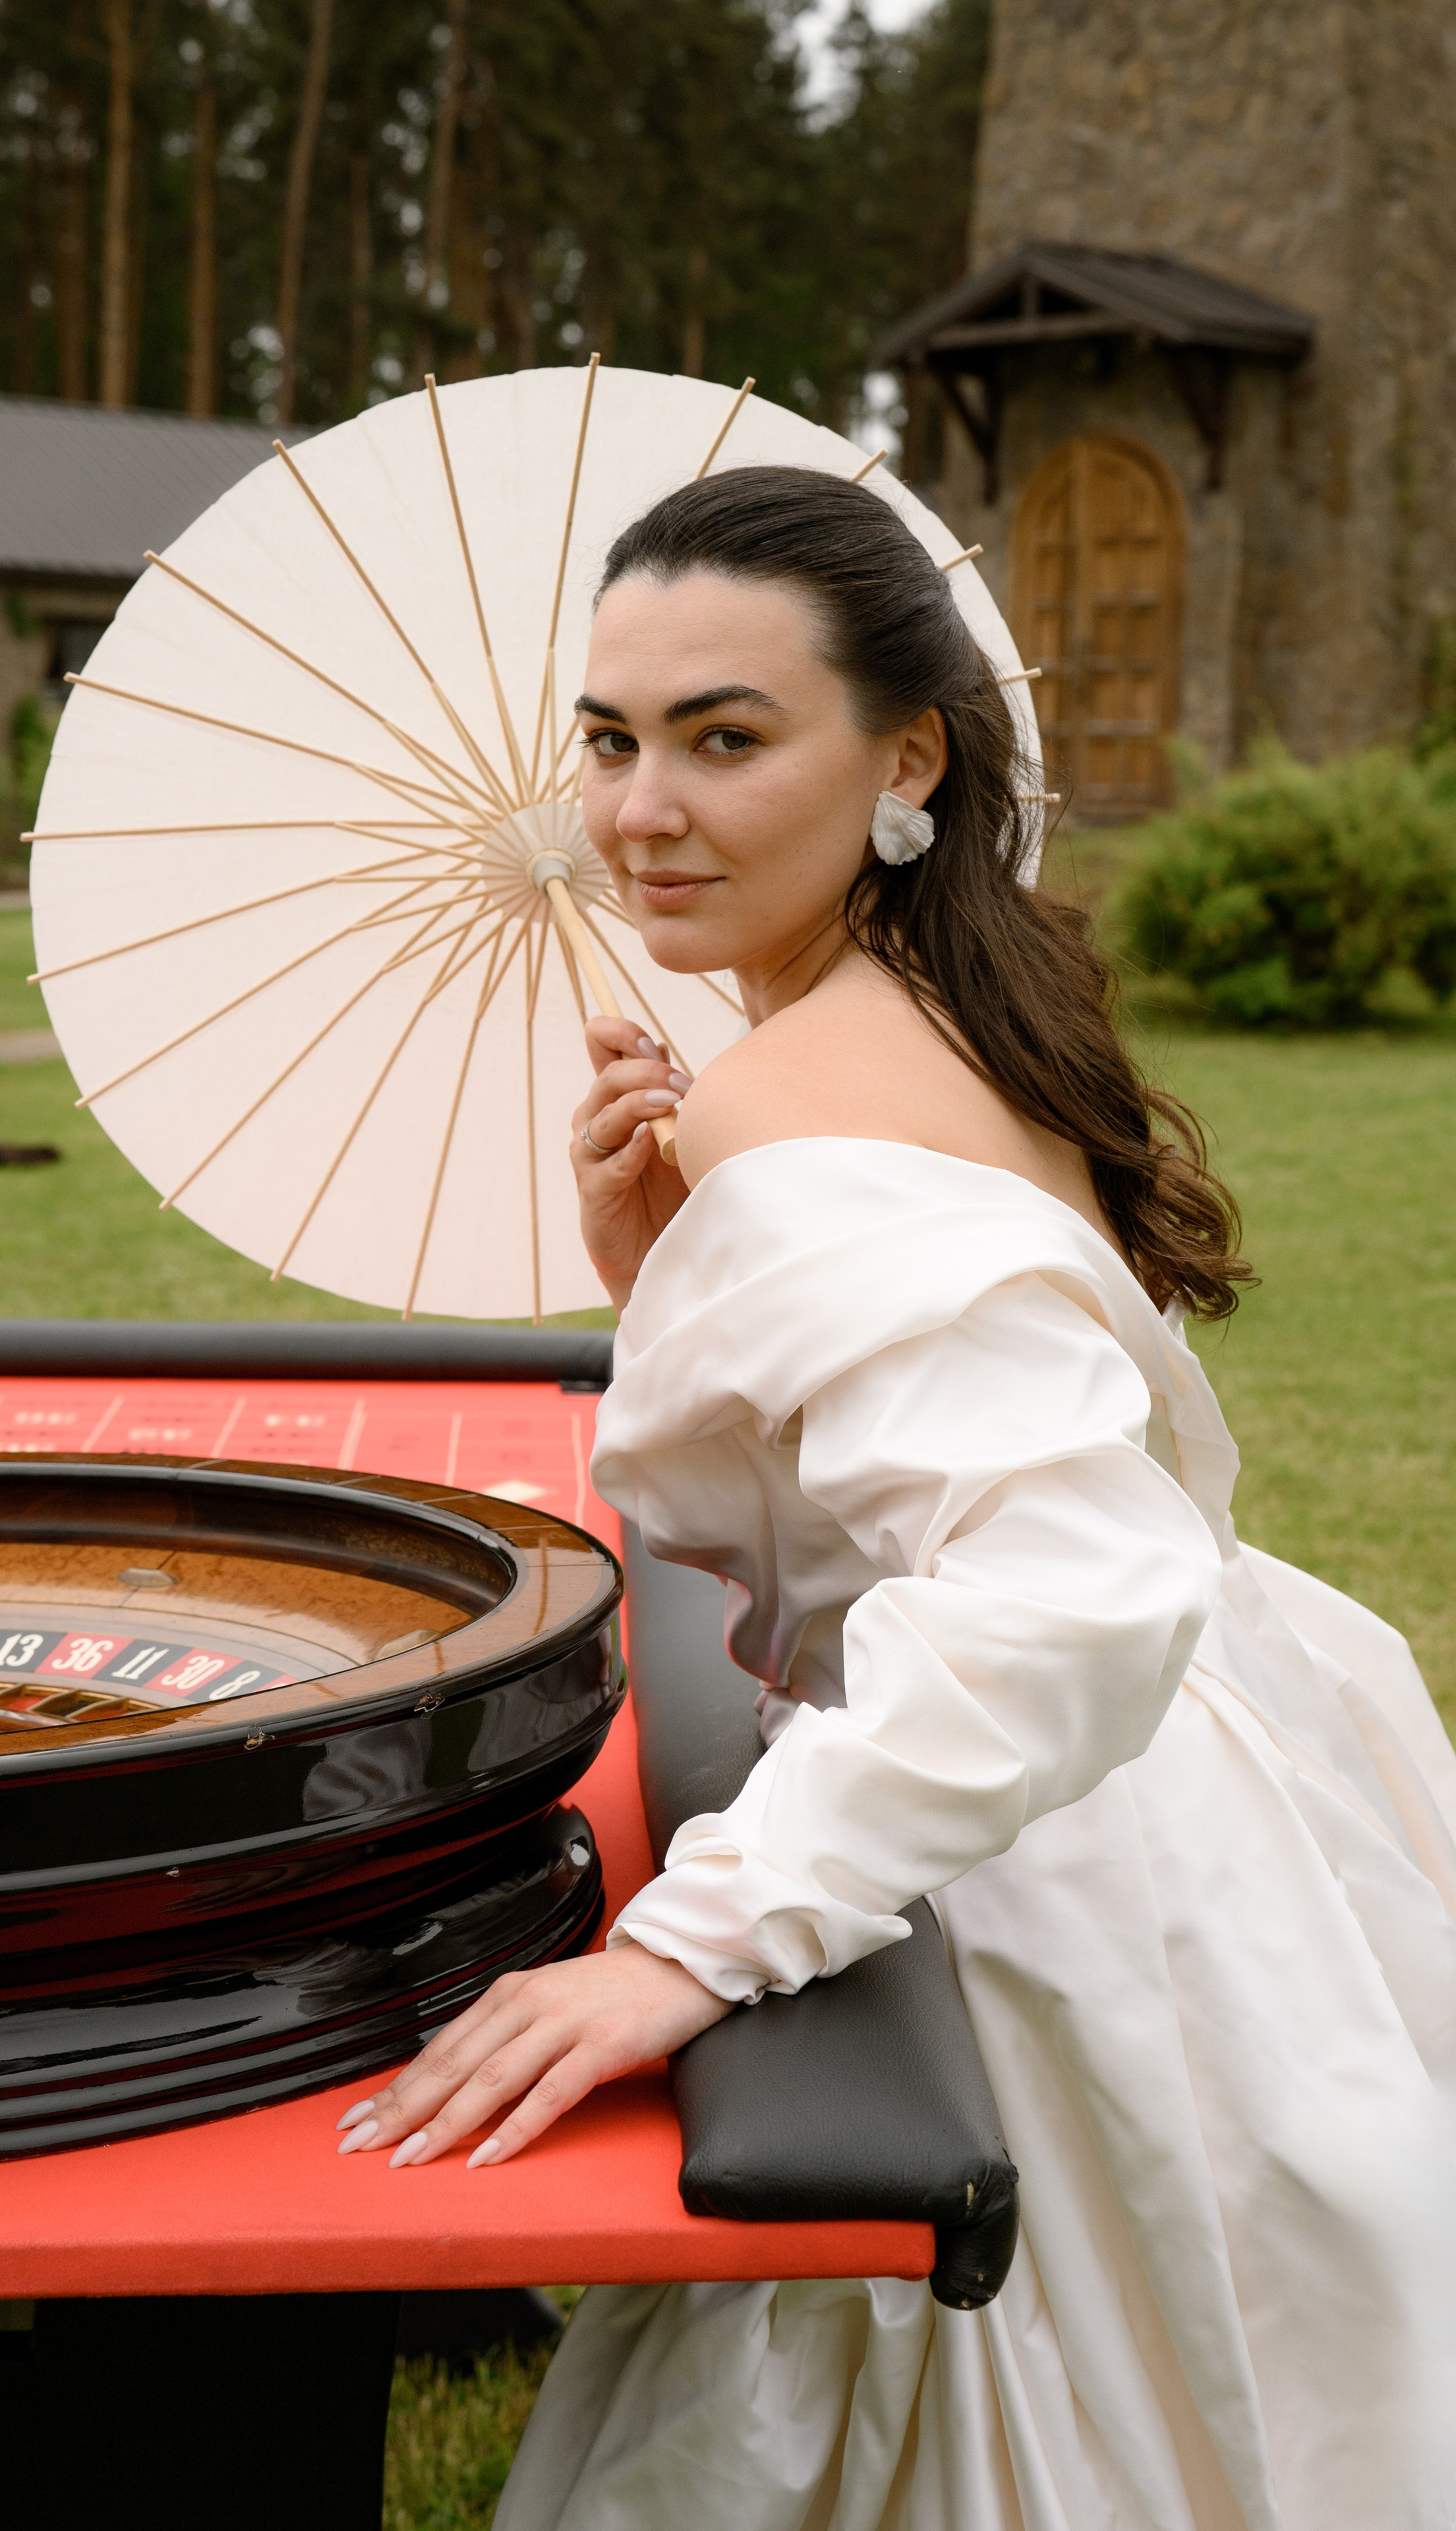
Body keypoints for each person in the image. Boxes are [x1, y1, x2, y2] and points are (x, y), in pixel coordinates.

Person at [336, 465, 1456, 2528]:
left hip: (1059, 1856)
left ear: (906, 754)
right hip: (1211, 1761)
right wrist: (666, 1267)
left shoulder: (783, 1086)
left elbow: (1057, 1576)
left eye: (727, 738)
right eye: (611, 739)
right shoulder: (954, 993)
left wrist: (697, 1945)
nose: (641, 809)